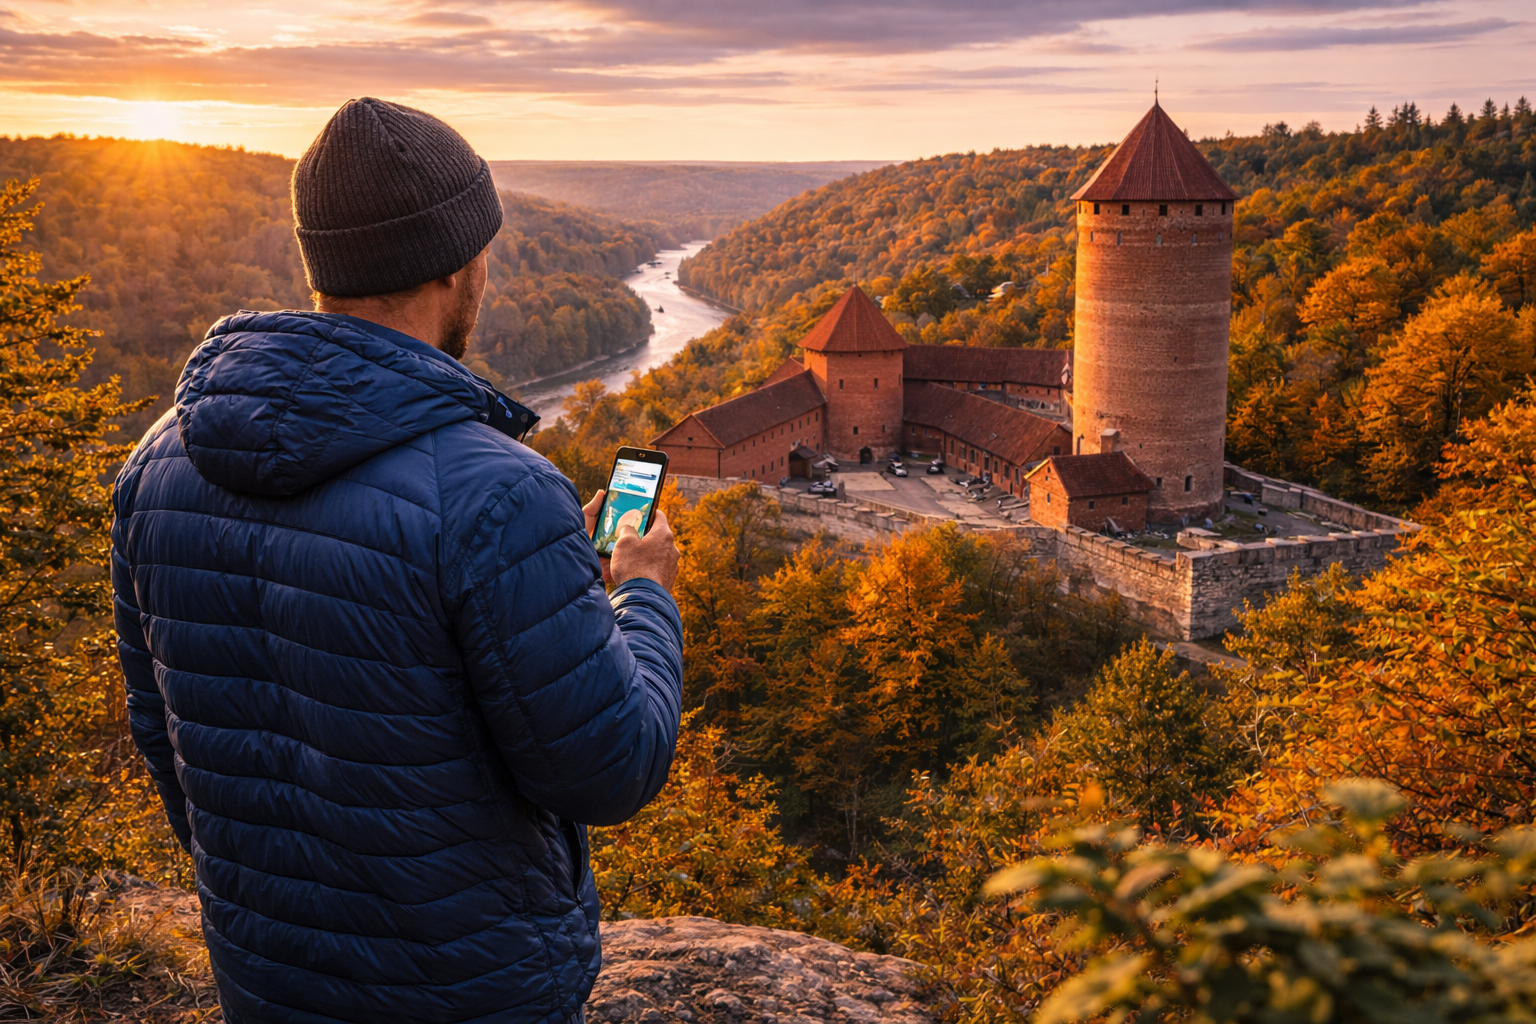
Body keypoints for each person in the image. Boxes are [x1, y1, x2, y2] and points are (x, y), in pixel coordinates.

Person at [110, 97, 684, 1024]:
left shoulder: (156, 462)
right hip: (473, 993)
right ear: (460, 267)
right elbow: (612, 767)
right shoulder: (499, 493)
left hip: (266, 976)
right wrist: (644, 594)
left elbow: (163, 736)